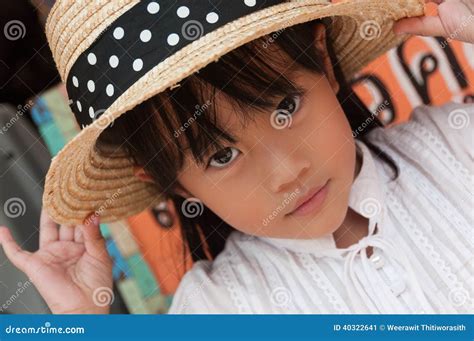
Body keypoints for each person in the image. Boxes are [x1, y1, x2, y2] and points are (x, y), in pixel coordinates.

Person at [0, 0, 472, 314]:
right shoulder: (219, 308)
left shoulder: (455, 145)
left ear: (324, 64)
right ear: (174, 184)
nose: (288, 172)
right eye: (222, 155)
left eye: (286, 107)